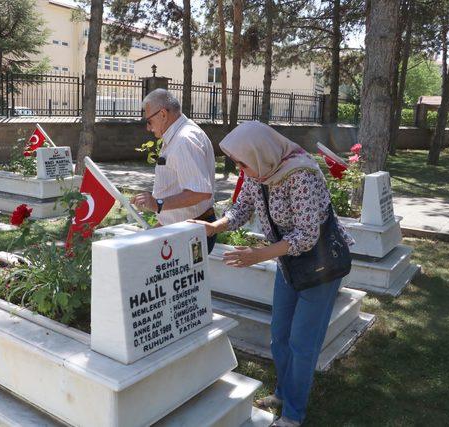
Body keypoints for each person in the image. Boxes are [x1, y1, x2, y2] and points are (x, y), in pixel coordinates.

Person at [189, 121, 353, 427]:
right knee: (279, 336)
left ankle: (293, 414)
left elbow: (307, 235)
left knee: (303, 343)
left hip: (320, 267)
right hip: (289, 263)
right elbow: (241, 210)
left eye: (241, 162)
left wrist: (259, 254)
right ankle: (283, 392)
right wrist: (214, 226)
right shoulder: (260, 172)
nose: (240, 169)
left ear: (259, 153)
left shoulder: (300, 175)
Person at [130, 88, 218, 253]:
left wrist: (158, 204)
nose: (148, 128)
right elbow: (177, 186)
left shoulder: (184, 140)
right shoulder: (178, 135)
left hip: (190, 234)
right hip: (183, 231)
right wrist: (161, 225)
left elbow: (200, 192)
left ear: (163, 114)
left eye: (148, 121)